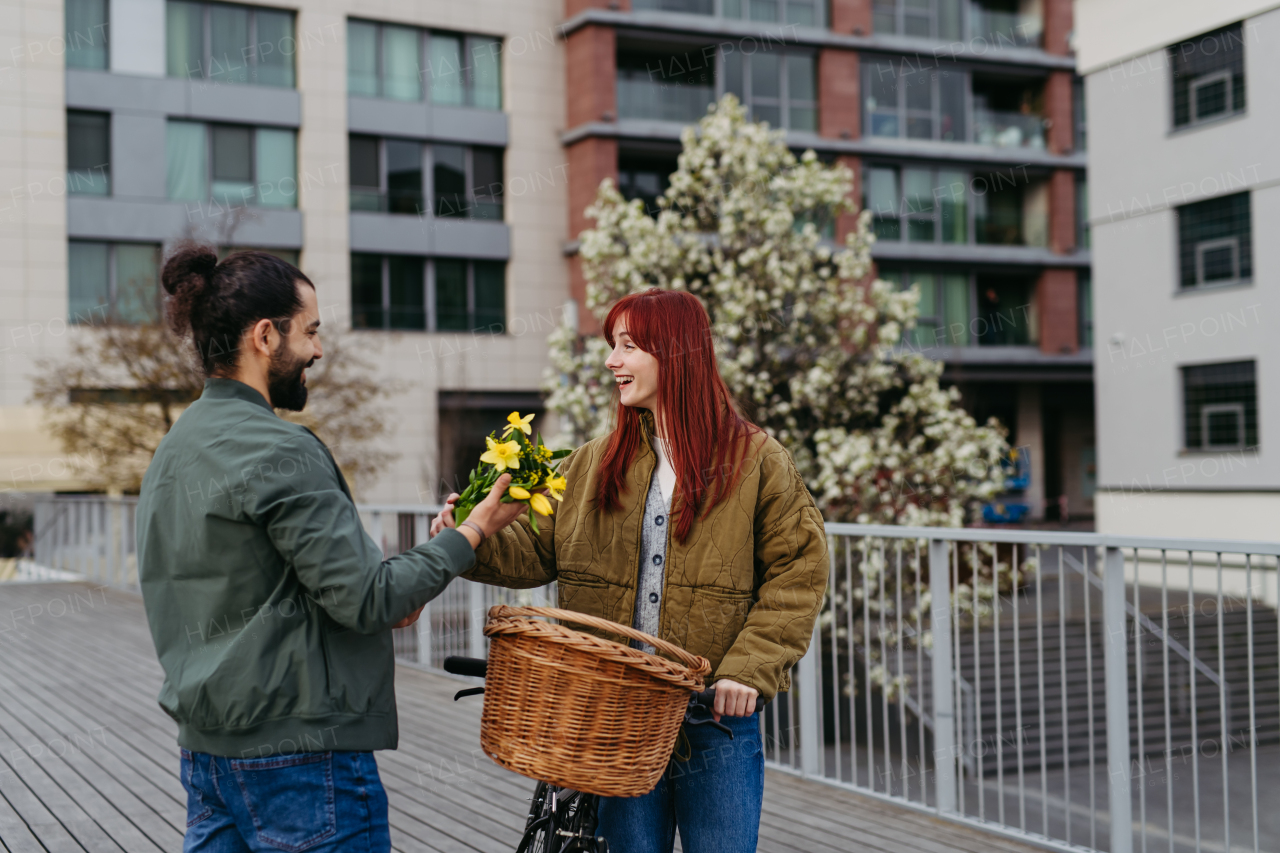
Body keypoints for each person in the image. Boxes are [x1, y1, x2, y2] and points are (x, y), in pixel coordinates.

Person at [135, 244, 526, 853]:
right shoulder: (280, 449)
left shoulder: (175, 448)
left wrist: (402, 593)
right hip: (301, 761)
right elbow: (370, 599)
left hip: (209, 755)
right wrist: (471, 532)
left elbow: (324, 592)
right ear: (266, 336)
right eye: (311, 331)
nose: (318, 349)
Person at [431, 288, 829, 853]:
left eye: (629, 346)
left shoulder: (759, 461)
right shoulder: (593, 462)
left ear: (678, 352)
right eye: (612, 346)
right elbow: (534, 551)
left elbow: (799, 572)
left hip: (713, 718)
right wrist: (467, 537)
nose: (612, 361)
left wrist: (749, 669)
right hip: (617, 717)